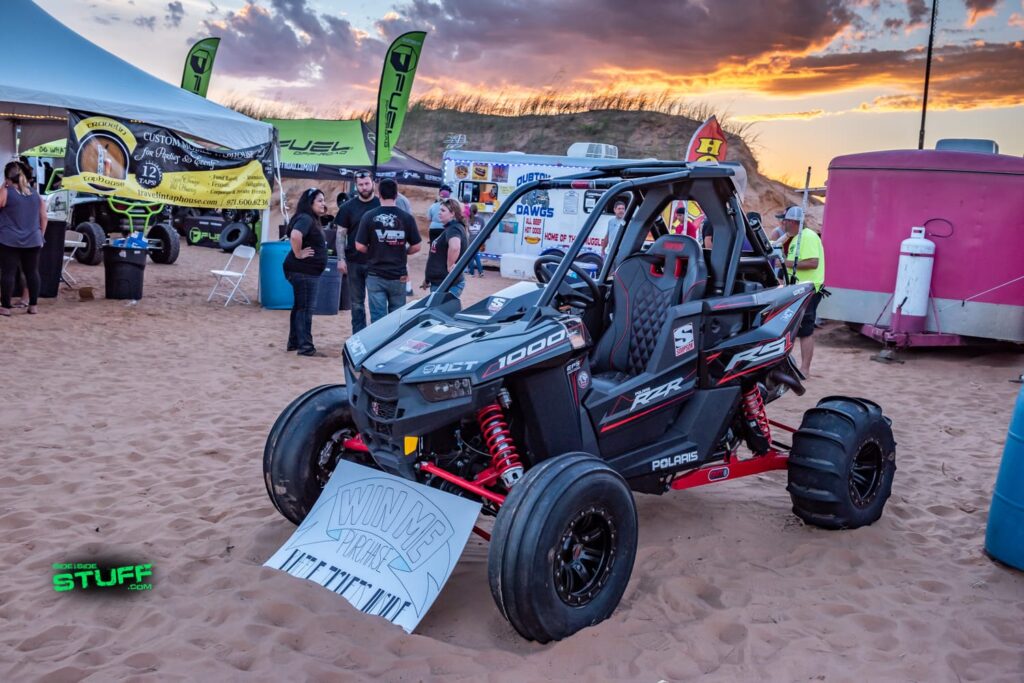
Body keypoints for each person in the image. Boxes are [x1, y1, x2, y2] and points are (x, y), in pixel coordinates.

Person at [355, 179, 421, 323]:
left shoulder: (368, 216)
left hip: (375, 274)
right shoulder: (407, 218)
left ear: (379, 194)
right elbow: (417, 246)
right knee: (397, 319)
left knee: (378, 319)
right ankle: (393, 345)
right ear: (396, 195)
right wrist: (404, 251)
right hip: (399, 275)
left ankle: (378, 345)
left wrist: (373, 250)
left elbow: (359, 246)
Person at [283, 188, 328, 356]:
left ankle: (294, 342)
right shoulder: (305, 218)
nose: (323, 204)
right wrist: (298, 253)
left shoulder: (310, 218)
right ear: (310, 203)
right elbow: (295, 236)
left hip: (304, 271)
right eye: (320, 201)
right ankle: (305, 347)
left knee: (300, 307)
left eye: (324, 200)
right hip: (303, 271)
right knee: (305, 308)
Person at [781, 206, 825, 377]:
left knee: (805, 330)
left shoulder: (808, 236)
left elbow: (813, 262)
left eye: (785, 221)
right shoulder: (797, 238)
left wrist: (786, 263)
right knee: (793, 328)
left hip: (809, 289)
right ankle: (792, 366)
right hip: (799, 289)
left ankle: (805, 369)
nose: (783, 224)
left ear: (792, 222)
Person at [334, 172, 380, 333]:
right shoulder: (347, 207)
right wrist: (341, 259)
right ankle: (358, 335)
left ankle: (375, 337)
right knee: (357, 303)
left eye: (367, 184)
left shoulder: (381, 205)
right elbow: (340, 235)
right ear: (356, 185)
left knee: (376, 302)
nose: (364, 187)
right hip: (354, 261)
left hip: (377, 262)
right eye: (360, 185)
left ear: (373, 183)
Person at [0, 161, 47, 316]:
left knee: (8, 272)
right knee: (32, 272)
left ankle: (5, 307)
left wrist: (3, 186)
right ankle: (33, 305)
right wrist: (40, 235)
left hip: (9, 239)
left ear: (8, 176)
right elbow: (44, 217)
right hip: (33, 239)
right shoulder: (35, 194)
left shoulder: (6, 191)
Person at [422, 198, 467, 299]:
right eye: (440, 210)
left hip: (447, 284)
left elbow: (455, 247)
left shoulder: (454, 228)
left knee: (441, 313)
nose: (439, 213)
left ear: (452, 213)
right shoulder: (449, 228)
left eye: (443, 210)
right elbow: (438, 256)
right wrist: (428, 278)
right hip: (441, 283)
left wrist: (450, 265)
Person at [466, 205, 485, 278]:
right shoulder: (481, 219)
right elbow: (483, 230)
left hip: (471, 239)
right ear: (477, 210)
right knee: (476, 255)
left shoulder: (468, 219)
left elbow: (468, 230)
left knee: (471, 256)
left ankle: (472, 272)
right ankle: (480, 272)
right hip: (478, 239)